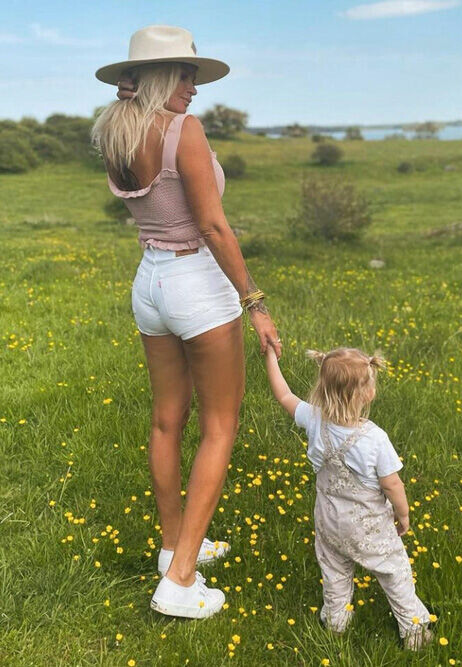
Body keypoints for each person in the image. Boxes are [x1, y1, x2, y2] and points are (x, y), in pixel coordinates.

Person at [92, 25, 282, 618]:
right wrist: (255, 302)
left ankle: (176, 544)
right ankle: (178, 582)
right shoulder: (183, 131)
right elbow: (215, 227)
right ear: (155, 76)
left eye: (194, 74)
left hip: (148, 281)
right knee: (220, 424)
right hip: (196, 283)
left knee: (167, 419)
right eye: (184, 73)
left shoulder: (115, 130)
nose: (193, 86)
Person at [263, 345, 433, 648]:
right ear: (364, 393)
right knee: (394, 571)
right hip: (368, 529)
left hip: (329, 522)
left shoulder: (314, 420)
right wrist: (403, 514)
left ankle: (336, 620)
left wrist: (270, 358)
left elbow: (284, 395)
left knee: (335, 570)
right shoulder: (375, 439)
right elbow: (392, 484)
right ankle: (414, 630)